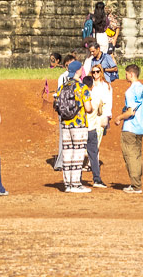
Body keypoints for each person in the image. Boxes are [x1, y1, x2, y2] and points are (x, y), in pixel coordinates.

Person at [53, 56, 90, 193]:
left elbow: (56, 103)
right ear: (78, 71)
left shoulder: (62, 86)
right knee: (78, 152)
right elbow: (88, 107)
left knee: (67, 153)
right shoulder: (82, 87)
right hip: (78, 123)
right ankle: (76, 184)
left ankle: (67, 184)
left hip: (65, 123)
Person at [116, 63, 143, 193]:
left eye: (126, 74)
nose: (125, 76)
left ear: (131, 74)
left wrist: (119, 117)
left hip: (130, 127)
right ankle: (136, 182)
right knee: (137, 155)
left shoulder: (130, 91)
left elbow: (130, 112)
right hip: (140, 127)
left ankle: (136, 185)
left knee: (130, 156)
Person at [83, 61, 112, 188]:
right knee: (92, 146)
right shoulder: (90, 89)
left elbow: (108, 103)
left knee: (95, 144)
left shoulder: (106, 86)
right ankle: (94, 173)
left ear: (101, 73)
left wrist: (106, 116)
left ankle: (90, 166)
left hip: (99, 117)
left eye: (97, 72)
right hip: (91, 120)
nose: (95, 74)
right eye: (93, 72)